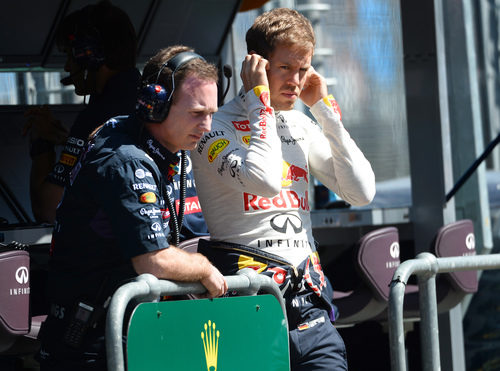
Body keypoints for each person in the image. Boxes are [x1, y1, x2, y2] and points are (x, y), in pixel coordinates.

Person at [191, 7, 375, 370]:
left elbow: (362, 191)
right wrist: (260, 102)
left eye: (303, 68)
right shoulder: (213, 127)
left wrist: (326, 111)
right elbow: (265, 181)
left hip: (310, 302)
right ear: (256, 65)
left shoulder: (300, 123)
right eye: (285, 68)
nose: (295, 80)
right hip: (248, 302)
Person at [37, 45, 227, 371]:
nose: (207, 126)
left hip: (122, 334)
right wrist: (205, 269)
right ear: (156, 105)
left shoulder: (137, 137)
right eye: (197, 113)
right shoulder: (125, 159)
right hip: (91, 344)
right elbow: (152, 259)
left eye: (212, 113)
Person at [24, 0, 141, 224]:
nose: (68, 67)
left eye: (70, 55)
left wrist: (41, 144)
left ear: (90, 55)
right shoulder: (147, 102)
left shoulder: (97, 118)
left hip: (106, 255)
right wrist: (66, 139)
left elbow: (48, 209)